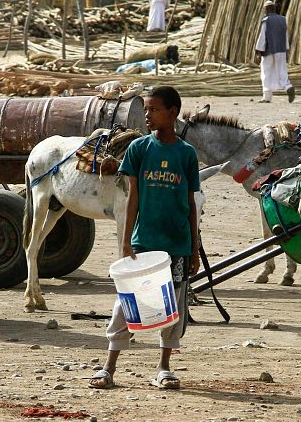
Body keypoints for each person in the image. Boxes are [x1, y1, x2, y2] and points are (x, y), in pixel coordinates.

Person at [88, 86, 200, 391]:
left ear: (173, 112)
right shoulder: (140, 150)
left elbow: (190, 203)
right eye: (146, 110)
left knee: (172, 307)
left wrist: (195, 248)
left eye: (154, 109)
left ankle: (164, 367)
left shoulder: (186, 155)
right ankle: (109, 367)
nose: (147, 115)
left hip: (177, 243)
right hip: (144, 242)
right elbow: (132, 198)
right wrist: (126, 242)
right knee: (127, 303)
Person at [254, 0, 295, 103]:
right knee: (282, 70)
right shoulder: (283, 20)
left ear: (267, 9)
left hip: (268, 50)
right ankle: (288, 86)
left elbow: (263, 36)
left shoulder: (266, 20)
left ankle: (267, 96)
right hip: (281, 49)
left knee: (266, 71)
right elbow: (285, 35)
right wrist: (286, 48)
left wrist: (258, 51)